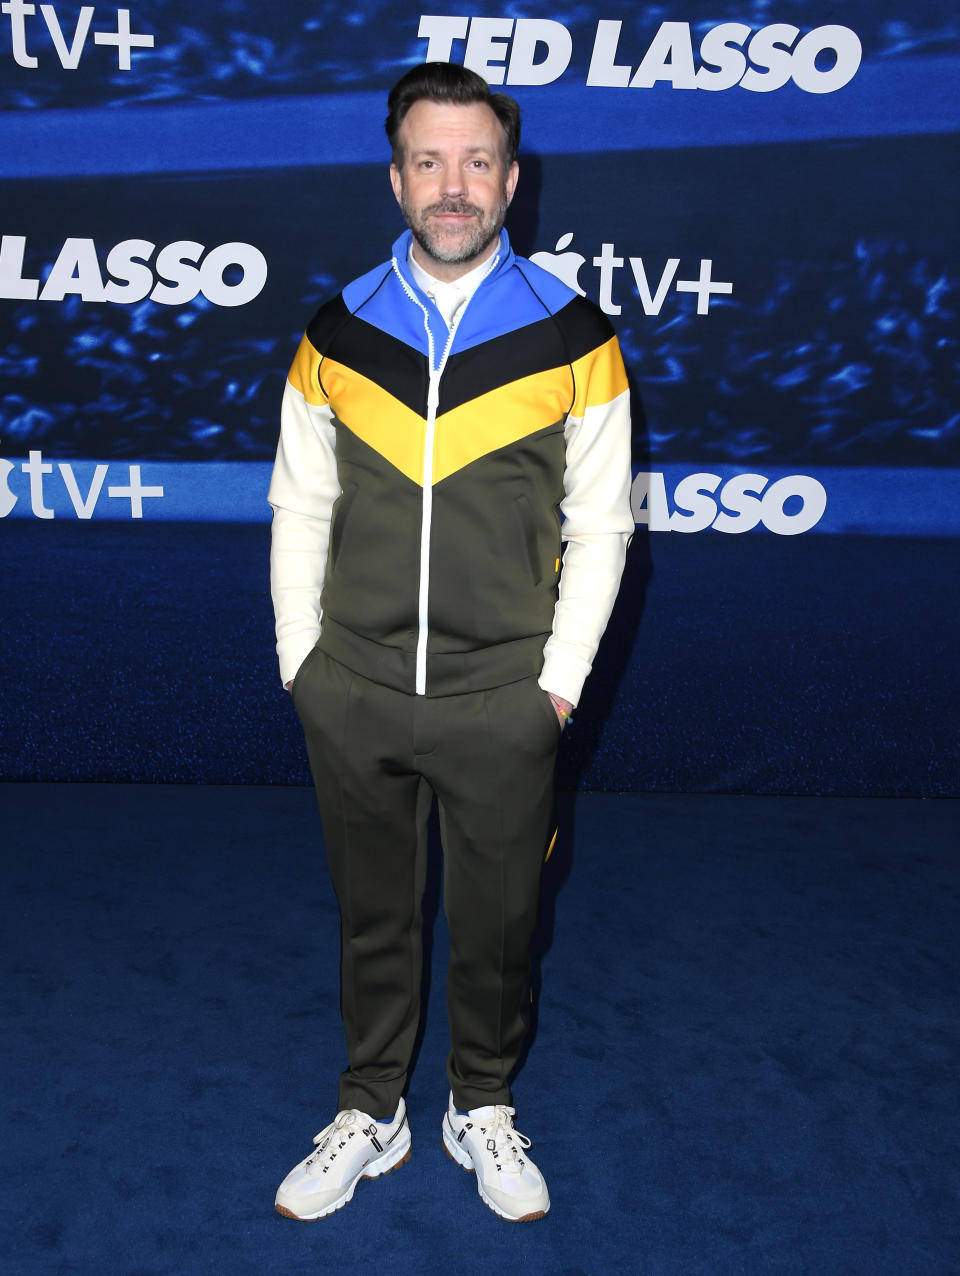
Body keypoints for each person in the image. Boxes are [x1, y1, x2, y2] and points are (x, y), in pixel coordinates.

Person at [268, 60, 633, 1224]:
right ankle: (371, 1108)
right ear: (395, 177)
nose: (454, 184)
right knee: (371, 916)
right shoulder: (334, 334)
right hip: (356, 690)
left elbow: (604, 524)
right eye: (430, 160)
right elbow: (301, 507)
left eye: (477, 161)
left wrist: (556, 690)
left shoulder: (578, 338)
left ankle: (482, 1102)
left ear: (513, 179)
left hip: (505, 701)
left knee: (499, 925)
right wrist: (302, 665)